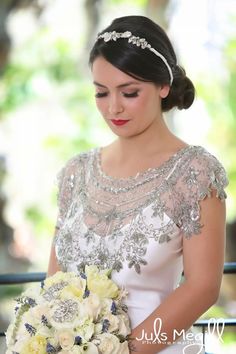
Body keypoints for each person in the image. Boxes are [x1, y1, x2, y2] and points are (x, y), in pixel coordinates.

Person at [47, 15, 229, 353]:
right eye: (101, 93)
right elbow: (54, 284)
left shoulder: (196, 172)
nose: (113, 107)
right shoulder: (76, 172)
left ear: (163, 86)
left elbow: (203, 287)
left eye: (129, 92)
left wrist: (120, 351)